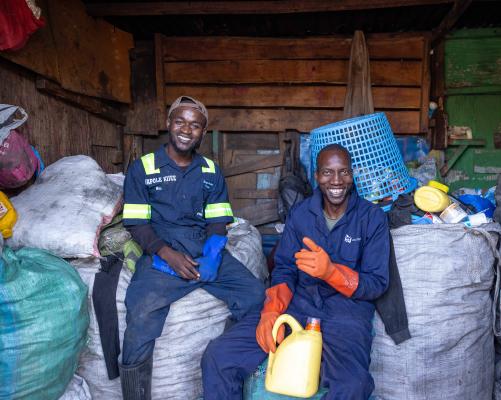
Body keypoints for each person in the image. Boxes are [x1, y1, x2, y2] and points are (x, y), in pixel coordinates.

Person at [201, 143, 390, 400]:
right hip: (298, 305)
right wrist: (271, 311)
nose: (336, 180)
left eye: (343, 172)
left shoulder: (372, 217)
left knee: (352, 385)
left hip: (346, 312)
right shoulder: (301, 214)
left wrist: (332, 272)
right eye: (327, 172)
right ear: (316, 176)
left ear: (352, 174)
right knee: (219, 356)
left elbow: (377, 283)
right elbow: (285, 268)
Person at [120, 96, 265, 400]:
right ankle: (135, 394)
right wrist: (165, 254)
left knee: (254, 295)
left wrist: (213, 255)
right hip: (162, 253)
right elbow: (136, 223)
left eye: (195, 125)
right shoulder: (143, 167)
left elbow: (217, 220)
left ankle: (231, 366)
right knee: (140, 313)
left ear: (203, 132)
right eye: (180, 121)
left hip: (203, 247)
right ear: (168, 124)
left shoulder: (211, 170)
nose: (186, 129)